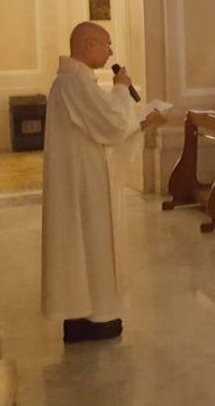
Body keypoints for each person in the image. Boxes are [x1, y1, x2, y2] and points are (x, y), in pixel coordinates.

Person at [42, 22, 165, 343]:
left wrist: (141, 124)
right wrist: (122, 87)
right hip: (85, 184)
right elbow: (110, 124)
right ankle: (92, 317)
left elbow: (107, 126)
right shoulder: (72, 82)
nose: (110, 51)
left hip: (90, 177)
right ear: (88, 44)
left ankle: (97, 313)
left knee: (93, 245)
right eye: (106, 44)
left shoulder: (77, 82)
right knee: (91, 243)